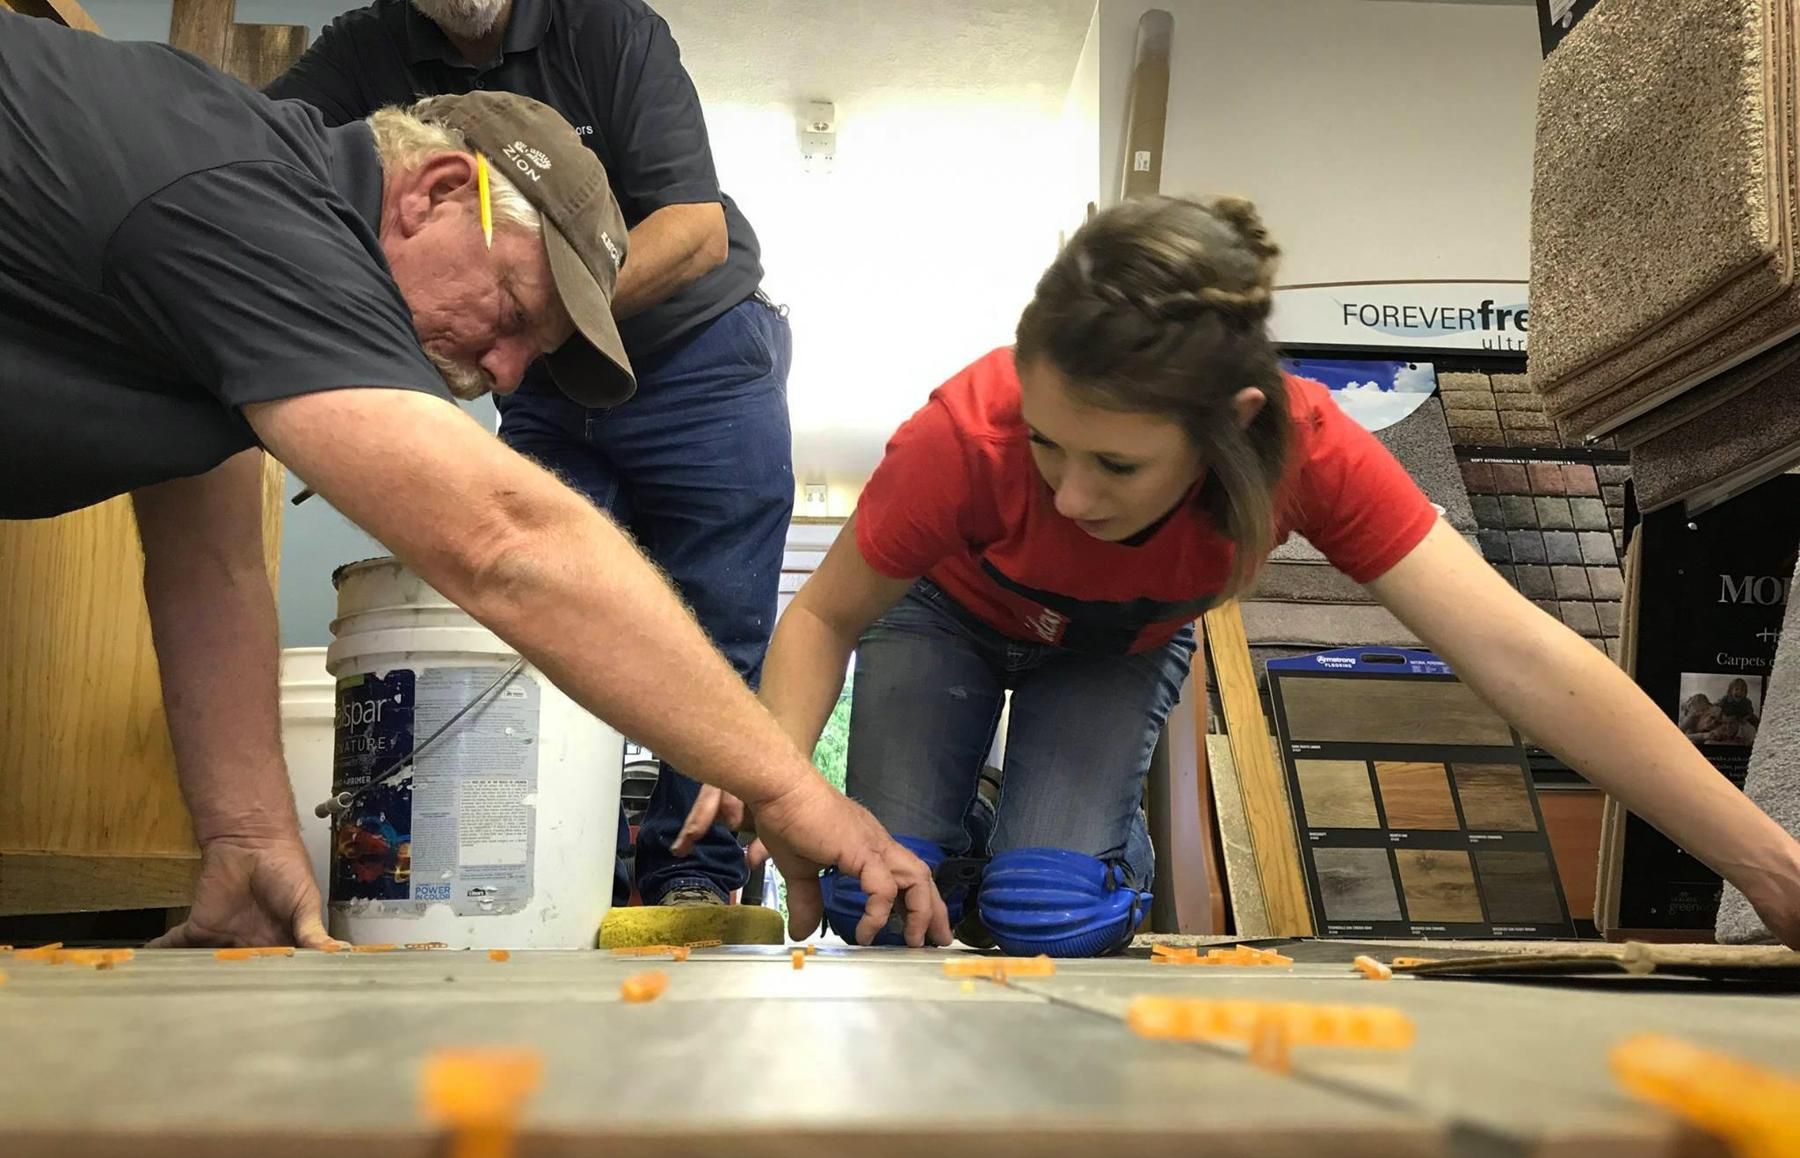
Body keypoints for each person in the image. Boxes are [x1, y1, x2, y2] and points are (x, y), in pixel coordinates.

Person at [1, 15, 942, 950]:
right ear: (438, 193)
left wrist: (247, 836)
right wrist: (788, 785)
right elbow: (504, 540)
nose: (504, 376)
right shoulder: (258, 200)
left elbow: (212, 566)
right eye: (516, 313)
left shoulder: (226, 315)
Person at [680, 195, 1800, 951]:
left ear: (1232, 428)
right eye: (1046, 445)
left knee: (1045, 912)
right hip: (946, 620)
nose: (1070, 495)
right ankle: (969, 829)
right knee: (890, 905)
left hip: (1114, 647)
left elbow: (1520, 654)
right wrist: (779, 775)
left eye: (1118, 463)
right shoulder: (963, 436)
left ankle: (1049, 848)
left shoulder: (1310, 448)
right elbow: (822, 618)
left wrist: (1766, 865)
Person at [267, 0, 791, 912]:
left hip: (697, 351)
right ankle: (544, 866)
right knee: (523, 594)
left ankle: (688, 873)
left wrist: (542, 311)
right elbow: (268, 152)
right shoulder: (366, 46)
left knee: (719, 608)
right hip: (543, 370)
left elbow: (695, 230)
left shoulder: (610, 30)